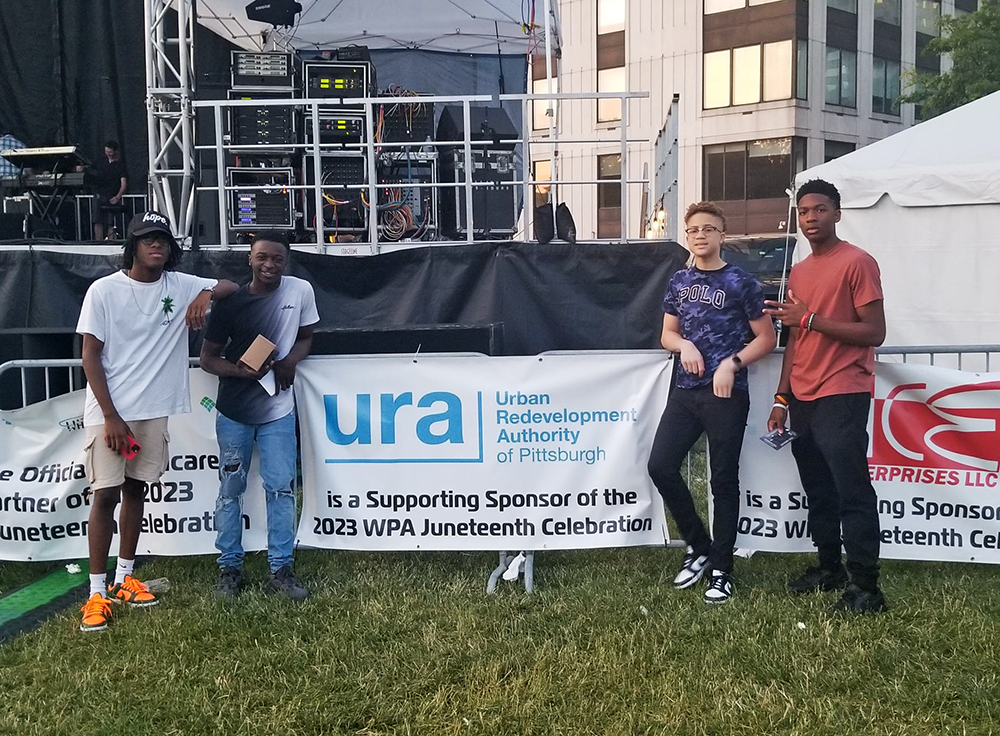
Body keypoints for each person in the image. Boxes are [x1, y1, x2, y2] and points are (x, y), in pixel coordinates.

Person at [77, 211, 238, 633]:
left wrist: (207, 296)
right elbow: (90, 354)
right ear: (132, 246)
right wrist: (111, 415)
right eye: (148, 239)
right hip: (110, 413)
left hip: (152, 410)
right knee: (105, 495)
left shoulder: (180, 284)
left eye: (163, 240)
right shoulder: (104, 290)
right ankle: (96, 594)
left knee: (136, 491)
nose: (157, 246)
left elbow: (231, 285)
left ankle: (125, 576)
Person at [764, 179, 887, 614]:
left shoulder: (858, 262)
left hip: (843, 390)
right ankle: (829, 567)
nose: (811, 217)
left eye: (820, 209)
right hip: (803, 394)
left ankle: (867, 588)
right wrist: (781, 397)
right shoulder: (799, 270)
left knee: (851, 488)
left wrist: (812, 318)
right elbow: (795, 338)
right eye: (804, 211)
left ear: (837, 212)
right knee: (817, 486)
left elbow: (875, 332)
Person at [647, 202, 776, 604]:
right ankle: (699, 545)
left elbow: (767, 338)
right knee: (661, 466)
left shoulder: (742, 282)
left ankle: (722, 567)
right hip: (686, 392)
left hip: (726, 395)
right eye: (693, 230)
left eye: (709, 229)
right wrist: (683, 343)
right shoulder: (679, 281)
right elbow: (667, 333)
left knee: (723, 481)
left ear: (723, 235)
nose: (700, 235)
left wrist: (732, 364)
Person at [200, 230, 319, 600]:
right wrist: (241, 371)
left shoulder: (299, 291)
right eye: (262, 257)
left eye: (277, 259)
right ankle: (229, 567)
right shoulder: (231, 302)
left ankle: (281, 568)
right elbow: (208, 359)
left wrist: (290, 362)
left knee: (281, 488)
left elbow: (306, 336)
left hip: (278, 409)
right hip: (234, 409)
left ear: (287, 262)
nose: (269, 265)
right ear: (250, 259)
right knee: (230, 489)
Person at [90, 140, 127, 240]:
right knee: (97, 220)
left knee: (111, 221)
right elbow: (90, 169)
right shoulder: (101, 161)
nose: (108, 154)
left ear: (115, 151)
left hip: (112, 195)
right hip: (99, 194)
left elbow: (123, 183)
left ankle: (110, 242)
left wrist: (117, 197)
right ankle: (98, 243)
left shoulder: (119, 164)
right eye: (106, 151)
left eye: (110, 152)